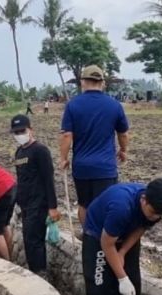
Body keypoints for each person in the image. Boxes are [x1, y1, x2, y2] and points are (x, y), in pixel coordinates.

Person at [59, 65, 130, 226]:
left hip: (82, 167)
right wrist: (124, 150)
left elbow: (66, 135)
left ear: (83, 82)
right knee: (106, 205)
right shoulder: (114, 105)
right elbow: (123, 133)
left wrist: (63, 158)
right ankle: (101, 241)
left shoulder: (73, 105)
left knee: (84, 204)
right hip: (105, 168)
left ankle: (88, 237)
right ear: (102, 83)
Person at [11, 114, 60, 276]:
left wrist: (52, 207)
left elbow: (48, 179)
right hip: (25, 203)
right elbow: (21, 179)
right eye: (16, 132)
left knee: (34, 240)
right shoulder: (19, 152)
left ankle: (40, 273)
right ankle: (34, 271)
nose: (19, 135)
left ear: (31, 130)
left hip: (39, 203)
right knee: (28, 239)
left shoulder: (40, 151)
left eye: (22, 131)